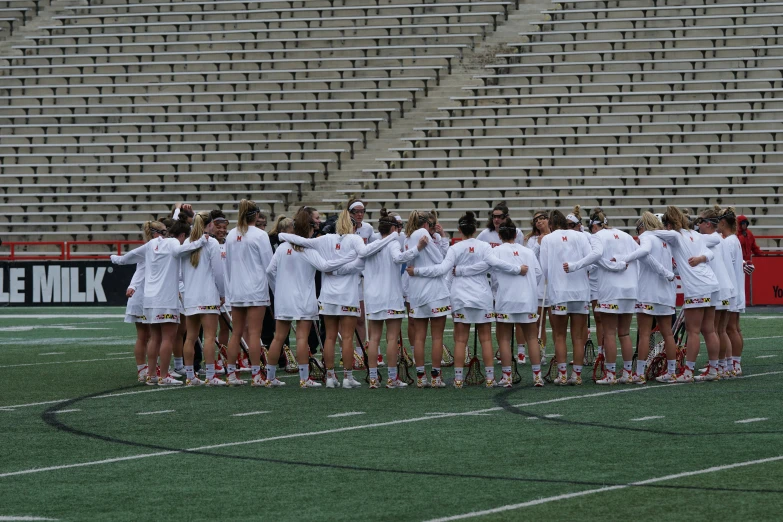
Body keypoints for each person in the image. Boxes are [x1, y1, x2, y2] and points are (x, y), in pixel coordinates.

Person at [279, 210, 398, 389]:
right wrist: (392, 237)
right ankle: (347, 377)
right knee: (348, 338)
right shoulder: (354, 239)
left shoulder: (325, 239)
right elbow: (363, 257)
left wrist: (333, 270)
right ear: (351, 224)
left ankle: (329, 377)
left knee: (330, 338)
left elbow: (292, 238)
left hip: (328, 296)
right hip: (348, 296)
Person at [408, 211, 526, 388]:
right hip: (482, 296)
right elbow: (494, 264)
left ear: (459, 230)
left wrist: (417, 272)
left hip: (460, 296)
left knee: (460, 340)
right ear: (475, 229)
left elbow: (442, 270)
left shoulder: (455, 248)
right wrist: (517, 269)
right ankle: (489, 378)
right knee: (486, 338)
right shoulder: (485, 246)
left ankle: (458, 379)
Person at [111, 219, 208, 386]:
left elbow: (128, 257)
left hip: (149, 299)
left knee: (154, 338)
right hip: (166, 299)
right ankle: (163, 375)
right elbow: (182, 250)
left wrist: (115, 258)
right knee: (168, 338)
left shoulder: (150, 245)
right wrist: (202, 241)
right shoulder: (171, 243)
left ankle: (151, 375)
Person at [266, 207, 350, 388]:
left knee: (278, 337)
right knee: (302, 337)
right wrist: (349, 257)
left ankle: (270, 377)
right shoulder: (308, 249)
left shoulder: (282, 248)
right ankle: (304, 379)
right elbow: (326, 266)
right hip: (304, 298)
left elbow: (269, 271)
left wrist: (278, 289)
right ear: (309, 228)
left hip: (283, 299)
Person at [649, 206, 720, 383]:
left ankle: (688, 372)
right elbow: (710, 251)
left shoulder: (674, 234)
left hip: (697, 286)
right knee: (709, 330)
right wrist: (701, 259)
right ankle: (714, 369)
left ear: (669, 224)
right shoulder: (695, 235)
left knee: (693, 331)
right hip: (711, 282)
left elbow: (651, 234)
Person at [571, 209, 639, 385]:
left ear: (594, 226)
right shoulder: (625, 235)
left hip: (610, 290)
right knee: (624, 333)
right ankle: (628, 373)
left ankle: (610, 374)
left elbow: (595, 255)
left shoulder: (597, 236)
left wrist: (575, 266)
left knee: (609, 333)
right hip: (630, 289)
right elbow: (641, 255)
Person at [360, 211, 427, 388]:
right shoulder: (392, 243)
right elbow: (399, 258)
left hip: (373, 297)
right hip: (390, 296)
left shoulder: (371, 246)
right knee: (391, 338)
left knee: (374, 338)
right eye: (397, 227)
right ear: (391, 229)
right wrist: (417, 248)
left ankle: (373, 378)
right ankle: (391, 378)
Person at [541, 210, 603, 386]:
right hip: (580, 292)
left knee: (559, 335)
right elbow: (591, 262)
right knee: (578, 336)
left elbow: (544, 269)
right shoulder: (581, 237)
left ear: (551, 226)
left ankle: (562, 375)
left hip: (559, 292)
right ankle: (576, 375)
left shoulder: (547, 239)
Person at [614, 212, 677, 383]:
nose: (638, 231)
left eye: (638, 227)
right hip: (666, 292)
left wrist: (622, 259)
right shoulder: (667, 240)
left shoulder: (648, 236)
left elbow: (645, 254)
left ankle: (640, 373)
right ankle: (671, 371)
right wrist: (668, 274)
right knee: (668, 334)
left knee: (644, 334)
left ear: (644, 225)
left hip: (649, 292)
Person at [224, 199, 274, 386]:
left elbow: (227, 265)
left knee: (236, 333)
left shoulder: (230, 235)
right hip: (255, 290)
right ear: (256, 215)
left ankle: (230, 374)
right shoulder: (260, 235)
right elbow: (269, 266)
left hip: (237, 290)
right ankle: (255, 375)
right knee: (254, 333)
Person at [402, 210, 451, 388]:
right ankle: (436, 376)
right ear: (425, 225)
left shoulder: (407, 237)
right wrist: (440, 240)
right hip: (434, 292)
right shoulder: (422, 234)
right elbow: (440, 260)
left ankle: (421, 376)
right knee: (437, 337)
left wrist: (439, 238)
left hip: (416, 292)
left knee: (419, 337)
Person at [490, 218, 543, 386]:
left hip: (506, 299)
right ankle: (537, 377)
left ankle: (507, 377)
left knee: (504, 339)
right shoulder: (527, 252)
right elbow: (538, 273)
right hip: (527, 299)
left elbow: (494, 278)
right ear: (515, 234)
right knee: (532, 338)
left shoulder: (496, 251)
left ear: (500, 235)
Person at [477, 202, 529, 366]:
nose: (496, 220)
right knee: (501, 320)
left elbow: (519, 253)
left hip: (513, 279)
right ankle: (503, 349)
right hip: (494, 282)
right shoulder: (485, 234)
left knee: (519, 317)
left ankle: (521, 351)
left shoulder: (517, 233)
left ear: (506, 217)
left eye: (500, 216)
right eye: (494, 216)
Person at [179, 212, 226, 386]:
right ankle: (210, 375)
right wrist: (222, 293)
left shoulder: (187, 242)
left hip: (191, 295)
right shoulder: (212, 243)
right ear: (209, 225)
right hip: (208, 295)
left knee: (190, 337)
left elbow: (182, 274)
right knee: (208, 337)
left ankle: (190, 376)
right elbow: (218, 273)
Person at [696, 206, 737, 380]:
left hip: (719, 288)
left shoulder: (711, 238)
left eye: (699, 222)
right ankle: (723, 366)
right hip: (725, 287)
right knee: (720, 330)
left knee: (712, 330)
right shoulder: (716, 237)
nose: (697, 225)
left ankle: (716, 368)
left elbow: (691, 241)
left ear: (707, 223)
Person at [124, 222, 153, 383]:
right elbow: (140, 271)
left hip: (142, 296)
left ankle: (145, 369)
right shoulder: (149, 249)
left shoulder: (150, 248)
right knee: (148, 336)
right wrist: (132, 285)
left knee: (145, 336)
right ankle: (146, 369)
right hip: (143, 296)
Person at [719, 208, 746, 376]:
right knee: (734, 328)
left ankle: (733, 364)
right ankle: (735, 362)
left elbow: (726, 266)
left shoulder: (729, 241)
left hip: (731, 290)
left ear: (723, 223)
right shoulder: (733, 240)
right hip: (736, 288)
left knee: (730, 329)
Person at [524, 210, 551, 359]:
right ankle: (541, 351)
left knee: (556, 324)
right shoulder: (532, 240)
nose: (539, 221)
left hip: (553, 284)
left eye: (542, 218)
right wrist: (539, 244)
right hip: (539, 285)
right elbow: (529, 257)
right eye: (536, 220)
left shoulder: (556, 236)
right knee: (539, 323)